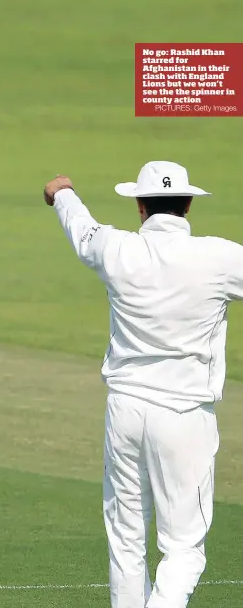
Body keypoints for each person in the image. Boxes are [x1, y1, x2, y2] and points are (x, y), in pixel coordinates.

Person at [43, 162, 243, 607]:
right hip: (184, 415)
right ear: (188, 204)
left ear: (140, 205)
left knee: (126, 537)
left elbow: (82, 229)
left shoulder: (117, 247)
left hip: (126, 410)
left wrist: (62, 193)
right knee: (184, 550)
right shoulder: (220, 256)